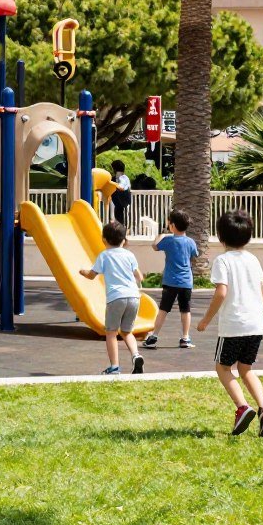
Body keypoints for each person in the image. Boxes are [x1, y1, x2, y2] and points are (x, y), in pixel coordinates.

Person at [196, 210, 263, 437]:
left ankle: (242, 407)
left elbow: (221, 292)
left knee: (223, 368)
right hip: (256, 325)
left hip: (234, 326)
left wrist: (205, 320)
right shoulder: (252, 260)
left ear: (221, 236)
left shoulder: (222, 261)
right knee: (246, 369)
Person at [79, 220, 146, 376]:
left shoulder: (104, 256)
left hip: (116, 298)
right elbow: (140, 276)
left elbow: (91, 275)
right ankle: (136, 355)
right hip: (133, 296)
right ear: (124, 240)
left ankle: (114, 367)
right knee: (127, 331)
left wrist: (83, 271)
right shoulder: (129, 255)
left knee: (111, 332)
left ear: (104, 239)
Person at [143, 208, 198, 349]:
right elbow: (194, 256)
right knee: (185, 310)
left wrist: (161, 235)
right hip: (186, 282)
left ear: (172, 225)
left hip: (170, 281)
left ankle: (154, 336)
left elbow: (154, 246)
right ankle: (185, 337)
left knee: (163, 309)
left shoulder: (167, 240)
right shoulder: (191, 242)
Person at [110, 160, 132, 227]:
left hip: (120, 203)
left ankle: (121, 230)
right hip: (122, 203)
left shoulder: (116, 178)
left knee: (120, 219)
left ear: (115, 169)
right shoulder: (125, 178)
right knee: (121, 219)